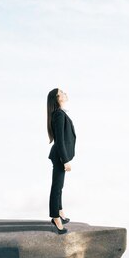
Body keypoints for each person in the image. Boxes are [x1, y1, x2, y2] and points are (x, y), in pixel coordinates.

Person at [46, 88, 76, 234]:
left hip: (60, 155)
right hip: (59, 156)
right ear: (57, 98)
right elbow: (59, 141)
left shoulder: (60, 113)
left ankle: (60, 211)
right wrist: (65, 160)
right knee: (57, 187)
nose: (65, 93)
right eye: (61, 92)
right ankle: (55, 217)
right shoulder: (58, 114)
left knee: (60, 186)